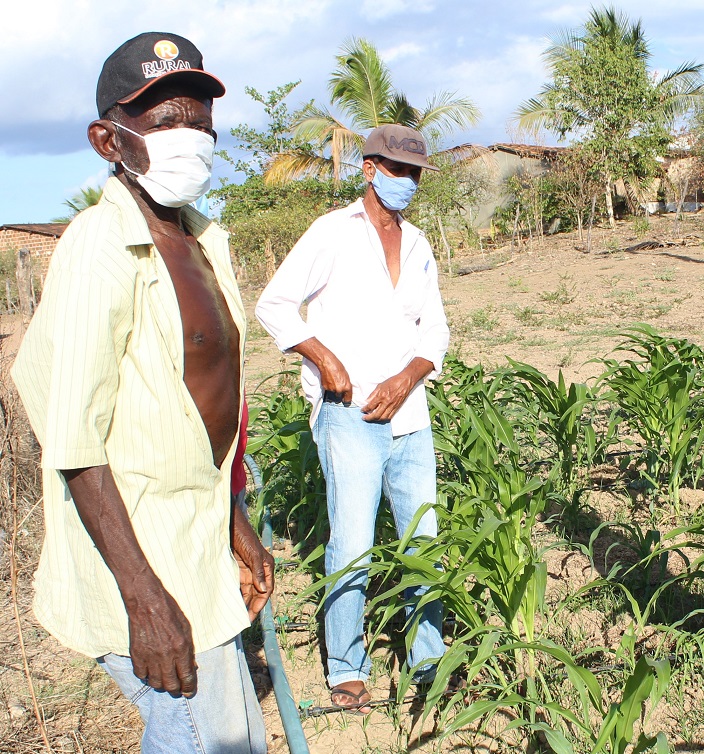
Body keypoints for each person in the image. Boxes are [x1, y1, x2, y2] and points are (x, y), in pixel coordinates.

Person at [12, 32, 272, 753]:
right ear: (110, 140)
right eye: (164, 122)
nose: (188, 136)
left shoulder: (204, 238)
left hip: (196, 538)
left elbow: (196, 414)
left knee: (232, 738)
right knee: (199, 736)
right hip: (144, 561)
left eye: (198, 120)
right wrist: (145, 601)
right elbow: (72, 440)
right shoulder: (99, 245)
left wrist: (233, 524)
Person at [256, 124, 451, 710]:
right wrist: (324, 360)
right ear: (369, 169)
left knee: (424, 539)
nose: (407, 182)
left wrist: (407, 377)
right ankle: (346, 666)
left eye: (415, 173)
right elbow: (274, 305)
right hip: (348, 415)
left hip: (410, 413)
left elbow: (435, 331)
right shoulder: (331, 234)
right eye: (397, 170)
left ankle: (429, 659)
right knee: (354, 542)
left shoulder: (418, 243)